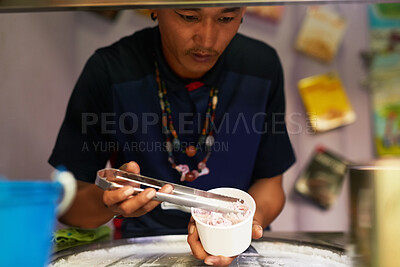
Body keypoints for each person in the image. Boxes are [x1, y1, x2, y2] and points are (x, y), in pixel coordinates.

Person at [49, 7, 295, 266]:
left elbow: (271, 185)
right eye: (189, 17)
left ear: (243, 12)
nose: (207, 40)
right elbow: (70, 206)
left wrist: (244, 226)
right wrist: (109, 203)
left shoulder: (261, 67)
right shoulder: (110, 71)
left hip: (240, 252)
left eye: (226, 18)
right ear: (155, 6)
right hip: (140, 252)